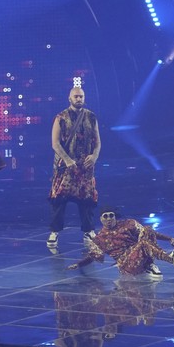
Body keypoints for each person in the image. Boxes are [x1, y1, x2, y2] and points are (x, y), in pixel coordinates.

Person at [48, 87, 101, 249]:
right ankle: (54, 232)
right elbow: (55, 143)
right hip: (65, 167)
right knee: (59, 200)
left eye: (81, 96)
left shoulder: (91, 117)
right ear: (69, 98)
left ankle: (89, 231)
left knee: (86, 200)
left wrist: (94, 156)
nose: (79, 99)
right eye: (76, 96)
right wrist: (67, 160)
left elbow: (98, 141)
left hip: (85, 167)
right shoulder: (61, 117)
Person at [67, 207, 174, 280]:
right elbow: (92, 257)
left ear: (115, 216)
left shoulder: (129, 224)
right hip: (126, 264)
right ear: (101, 219)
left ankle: (149, 266)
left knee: (147, 230)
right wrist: (78, 265)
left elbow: (151, 234)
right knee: (143, 243)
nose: (108, 219)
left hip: (139, 253)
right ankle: (170, 259)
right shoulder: (100, 238)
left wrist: (169, 239)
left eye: (111, 215)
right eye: (105, 216)